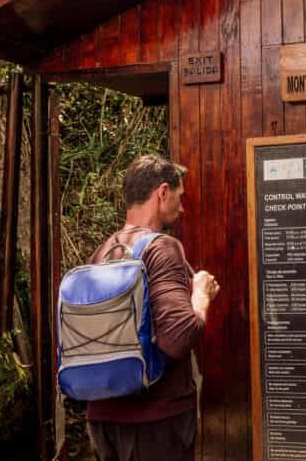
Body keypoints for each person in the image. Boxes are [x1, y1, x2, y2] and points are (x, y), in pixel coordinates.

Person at [86, 154, 219, 461]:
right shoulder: (161, 247)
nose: (182, 208)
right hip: (154, 422)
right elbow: (179, 337)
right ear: (162, 193)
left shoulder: (104, 251)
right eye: (179, 197)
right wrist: (201, 294)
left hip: (103, 416)